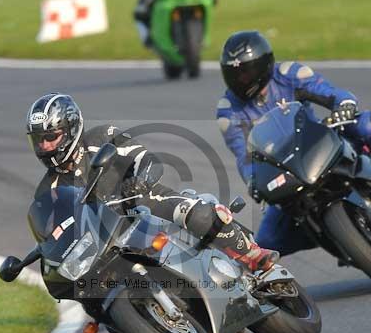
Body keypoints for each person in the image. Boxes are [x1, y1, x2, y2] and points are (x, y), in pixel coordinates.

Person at [215, 30, 371, 257]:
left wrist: (344, 105)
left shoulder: (289, 74)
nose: (241, 80)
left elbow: (330, 93)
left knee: (368, 125)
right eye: (234, 74)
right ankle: (334, 236)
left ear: (263, 64)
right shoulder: (228, 110)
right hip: (287, 172)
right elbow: (244, 157)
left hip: (319, 142)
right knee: (266, 242)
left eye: (246, 72)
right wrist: (253, 181)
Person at [27, 92, 279, 273]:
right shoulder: (48, 190)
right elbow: (53, 236)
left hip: (145, 203)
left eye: (51, 136)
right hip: (110, 242)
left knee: (200, 215)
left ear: (71, 129)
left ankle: (252, 254)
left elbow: (145, 159)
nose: (45, 146)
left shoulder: (102, 137)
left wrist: (139, 182)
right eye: (39, 139)